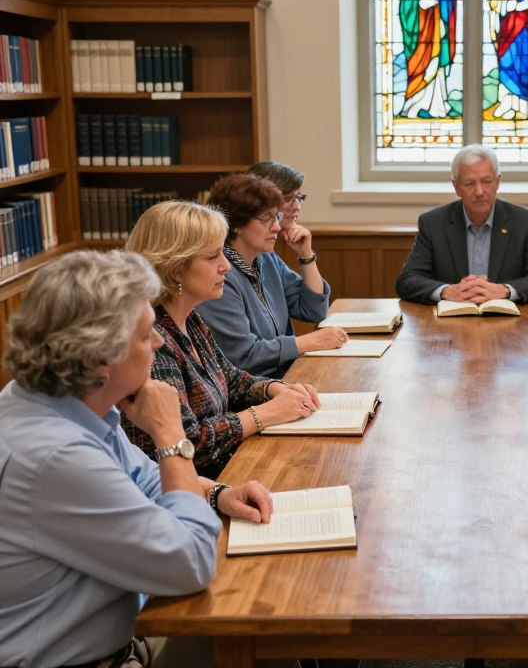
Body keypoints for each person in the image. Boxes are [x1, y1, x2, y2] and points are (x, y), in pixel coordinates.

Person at [0, 249, 273, 668]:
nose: (160, 342)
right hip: (85, 660)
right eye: (146, 336)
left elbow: (146, 481)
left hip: (129, 633)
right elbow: (190, 563)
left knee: (268, 638)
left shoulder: (59, 404)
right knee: (263, 628)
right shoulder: (55, 455)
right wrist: (169, 434)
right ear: (100, 356)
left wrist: (218, 494)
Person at [123, 200, 319, 478]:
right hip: (192, 487)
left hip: (224, 472)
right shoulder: (150, 339)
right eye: (213, 256)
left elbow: (231, 378)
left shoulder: (190, 318)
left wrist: (275, 389)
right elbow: (187, 445)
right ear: (176, 267)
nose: (226, 266)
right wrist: (264, 415)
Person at [197, 173, 346, 379]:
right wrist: (310, 342)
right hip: (253, 390)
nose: (276, 226)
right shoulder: (220, 275)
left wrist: (306, 256)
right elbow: (243, 356)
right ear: (237, 224)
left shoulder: (266, 259)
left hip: (285, 376)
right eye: (267, 219)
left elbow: (314, 310)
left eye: (276, 217)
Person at [395, 143, 528, 305]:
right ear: (456, 186)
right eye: (470, 184)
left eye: (486, 182)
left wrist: (505, 290)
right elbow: (407, 281)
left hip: (508, 320)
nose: (479, 192)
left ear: (498, 182)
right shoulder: (433, 223)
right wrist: (447, 291)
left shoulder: (524, 222)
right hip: (450, 322)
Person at [398, 0, 457, 119]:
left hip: (438, 27)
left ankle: (437, 106)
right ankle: (416, 105)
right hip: (421, 30)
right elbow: (406, 0)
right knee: (423, 64)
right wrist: (421, 0)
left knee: (437, 64)